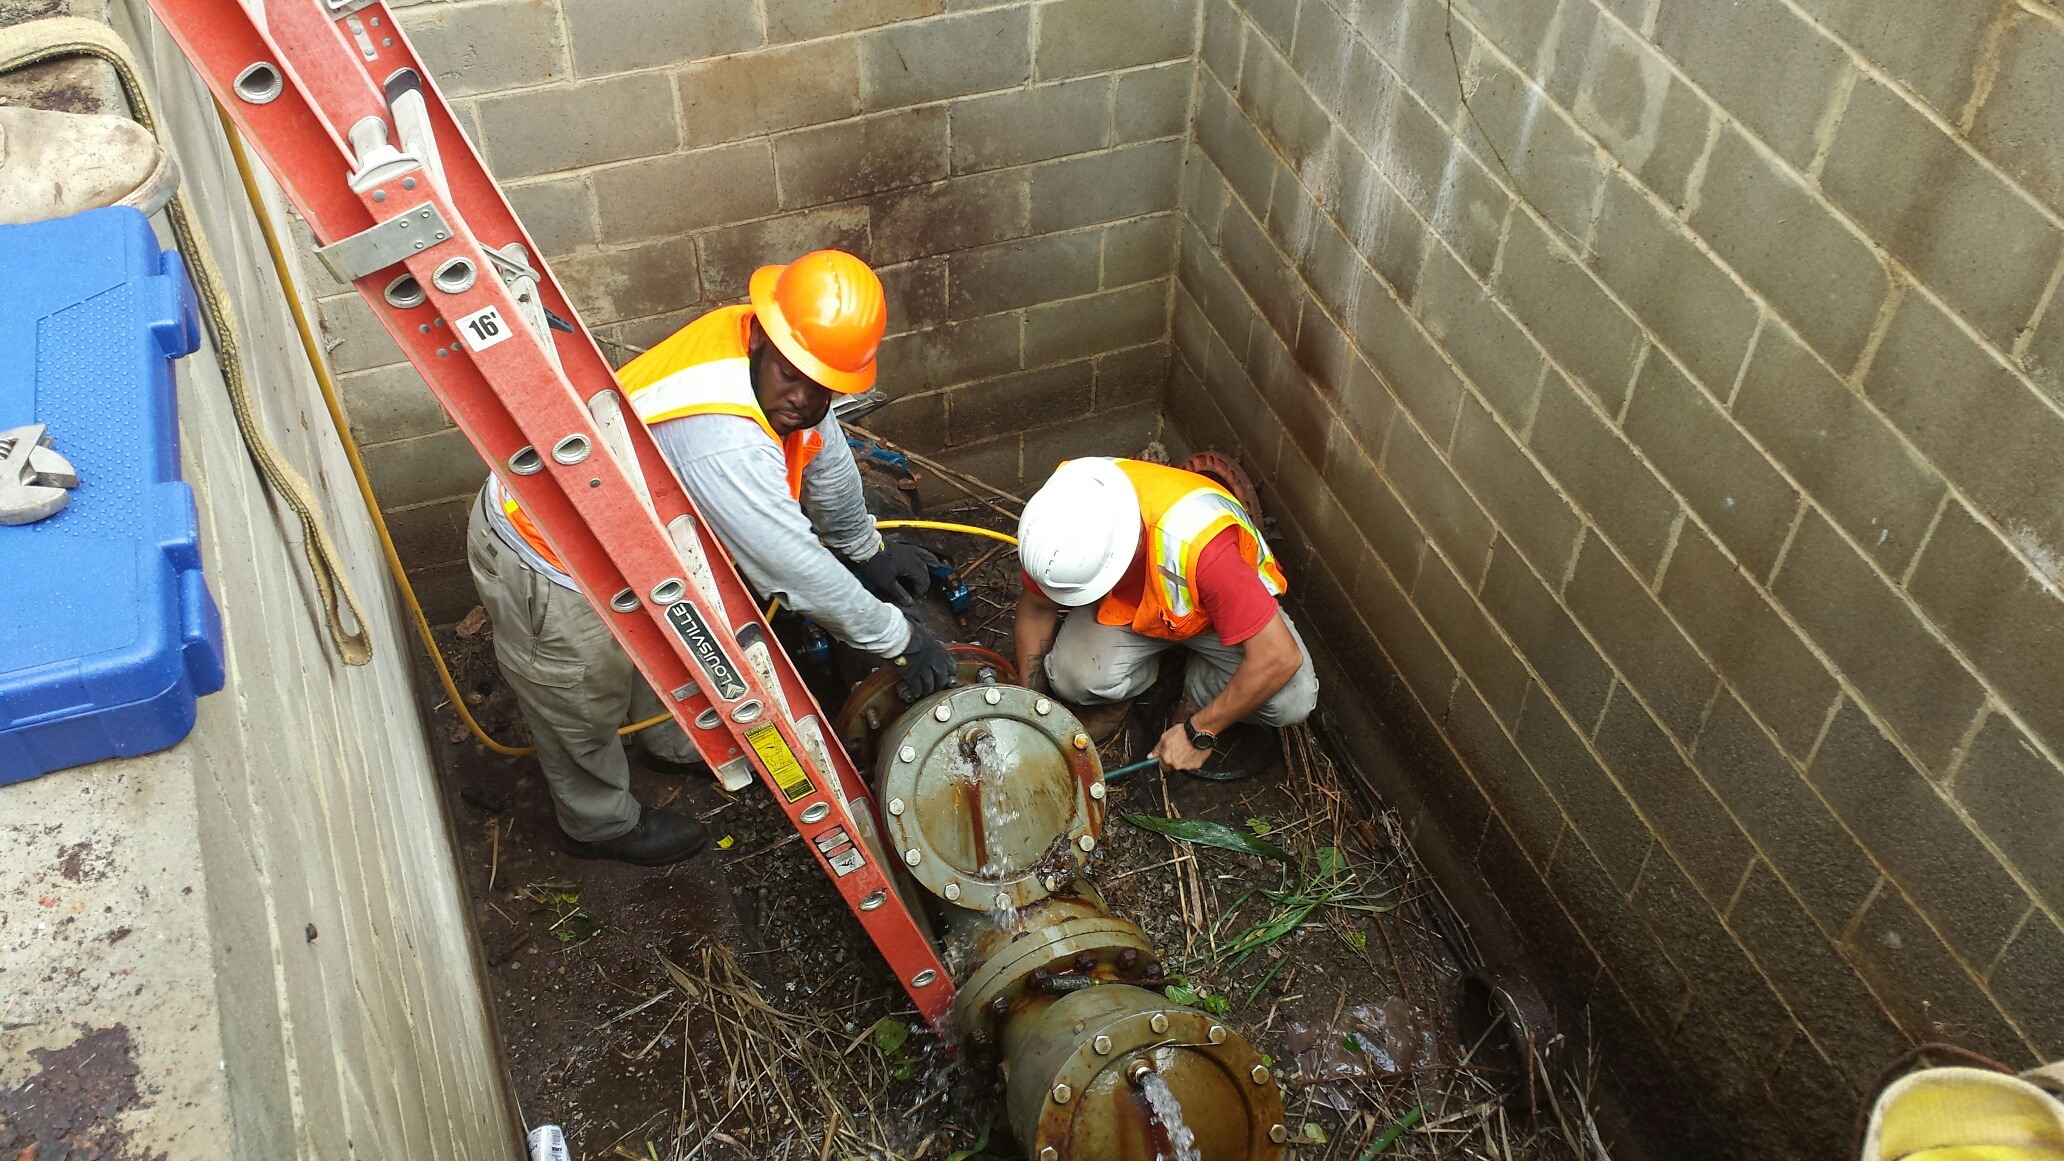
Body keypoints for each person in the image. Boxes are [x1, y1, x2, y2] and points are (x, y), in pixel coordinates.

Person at [468, 250, 956, 865]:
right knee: (582, 700)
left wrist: (864, 549)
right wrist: (903, 641)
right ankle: (598, 824)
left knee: (665, 650)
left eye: (823, 386)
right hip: (552, 555)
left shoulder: (765, 343)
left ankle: (672, 746)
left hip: (634, 545)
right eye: (793, 377)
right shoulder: (721, 440)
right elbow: (793, 571)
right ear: (767, 342)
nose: (804, 399)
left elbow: (822, 449)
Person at [1012, 457, 1318, 777]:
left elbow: (1279, 658)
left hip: (1214, 617)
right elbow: (1036, 610)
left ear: (1121, 553)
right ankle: (1121, 698)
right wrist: (1029, 706)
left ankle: (1198, 695)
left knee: (1291, 700)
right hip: (1138, 607)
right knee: (1073, 677)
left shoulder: (1202, 547)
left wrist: (1200, 732)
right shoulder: (1060, 515)